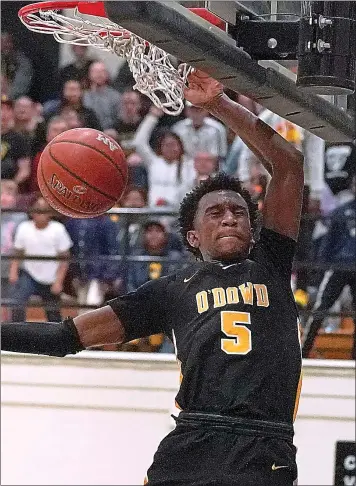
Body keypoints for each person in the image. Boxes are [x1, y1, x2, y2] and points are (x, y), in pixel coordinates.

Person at [1, 69, 304, 486]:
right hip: (191, 442)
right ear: (194, 236)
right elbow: (62, 338)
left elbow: (288, 163)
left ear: (254, 230)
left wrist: (217, 103)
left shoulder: (269, 264)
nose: (231, 217)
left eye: (239, 212)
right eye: (216, 213)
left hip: (263, 445)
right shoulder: (171, 290)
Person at [302, 180, 356, 360]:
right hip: (338, 267)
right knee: (321, 307)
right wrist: (320, 270)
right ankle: (303, 353)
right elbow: (328, 244)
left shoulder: (340, 213)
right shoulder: (340, 213)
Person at [8, 196, 72, 323]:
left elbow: (65, 258)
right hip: (29, 274)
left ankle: (54, 337)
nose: (40, 213)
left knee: (53, 314)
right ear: (31, 212)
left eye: (44, 209)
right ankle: (18, 331)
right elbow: (18, 252)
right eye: (37, 209)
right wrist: (13, 271)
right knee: (17, 302)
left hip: (51, 277)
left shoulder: (58, 229)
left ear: (50, 212)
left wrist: (59, 281)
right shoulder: (24, 227)